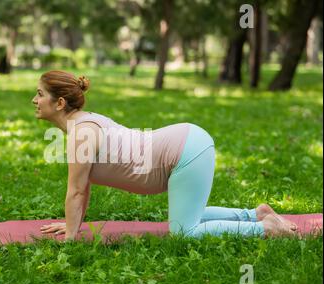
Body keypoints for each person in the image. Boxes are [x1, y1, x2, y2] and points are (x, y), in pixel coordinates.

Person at [32, 70, 297, 241]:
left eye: (40, 94)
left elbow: (76, 191)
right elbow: (83, 188)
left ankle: (265, 229)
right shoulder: (84, 124)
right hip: (187, 143)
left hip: (185, 150)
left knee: (184, 234)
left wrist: (69, 237)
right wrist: (71, 227)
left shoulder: (81, 132)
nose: (34, 100)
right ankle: (256, 214)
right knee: (187, 219)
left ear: (59, 103)